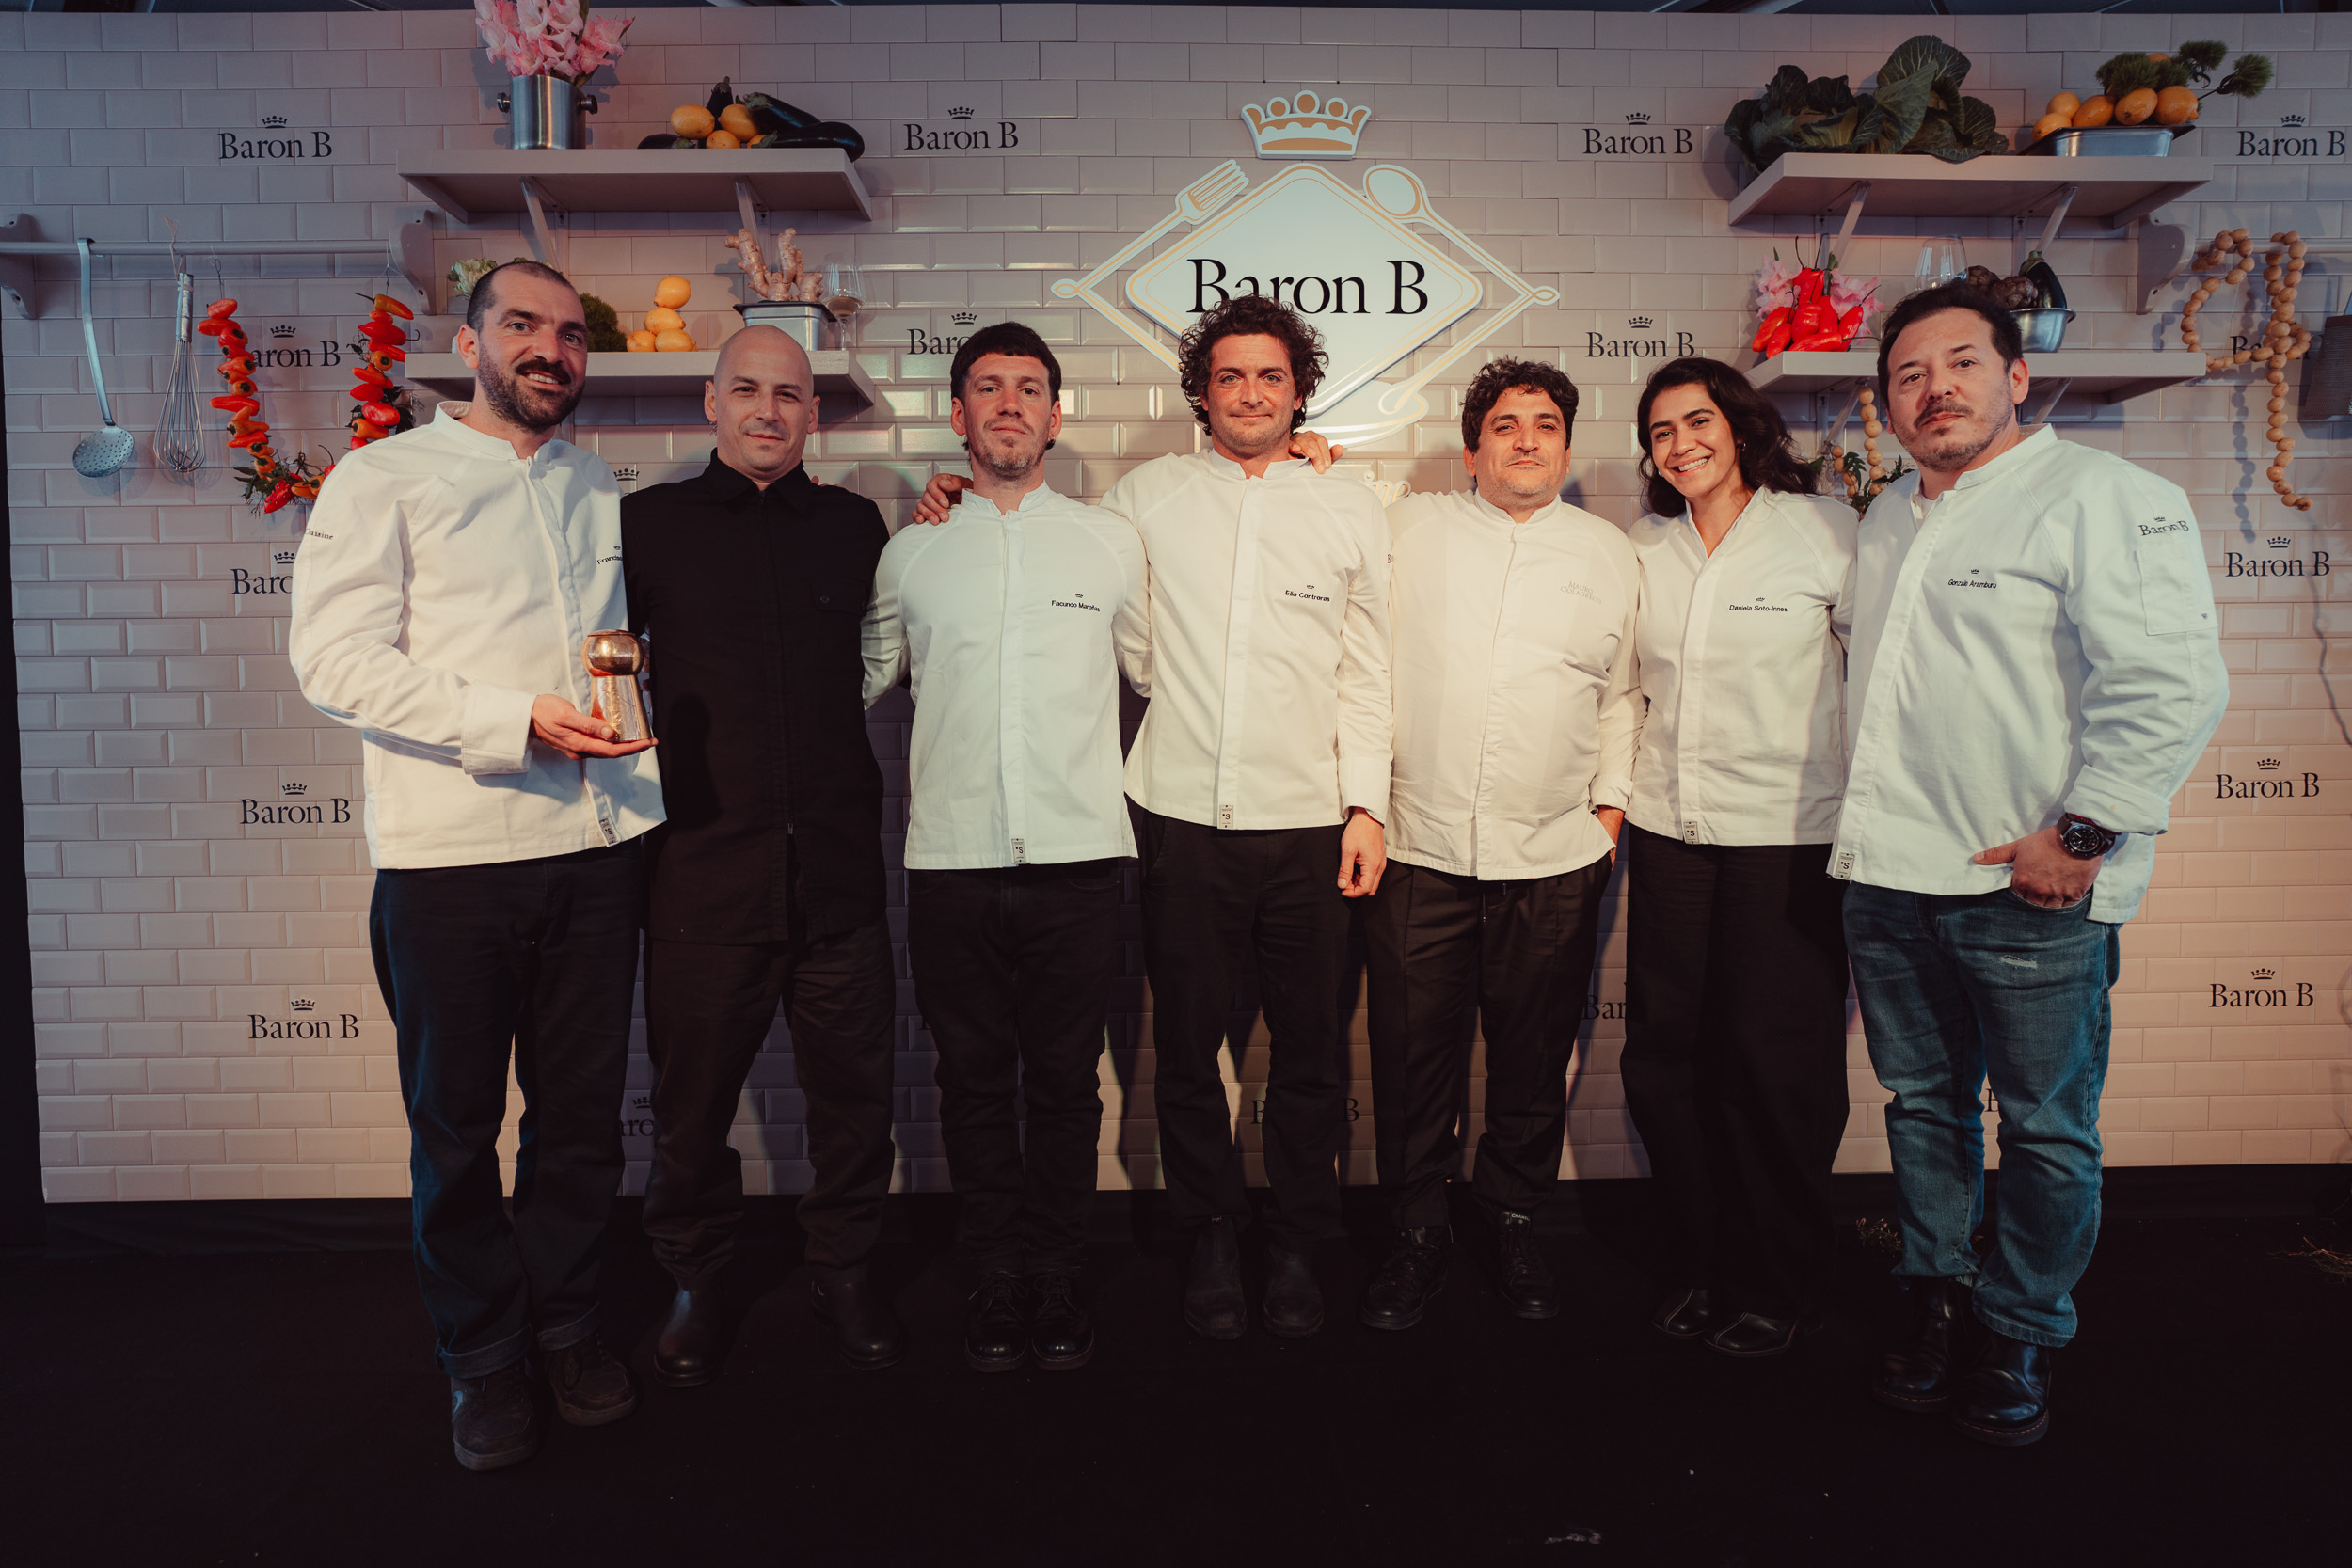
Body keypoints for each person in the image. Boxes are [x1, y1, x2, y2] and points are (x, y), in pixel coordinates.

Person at [917, 295, 1391, 1339]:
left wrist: (1367, 803)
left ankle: (1299, 1240)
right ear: (1201, 395)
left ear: (1300, 392)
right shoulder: (1142, 500)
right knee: (1184, 1053)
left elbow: (1368, 670)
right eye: (1230, 376)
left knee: (1312, 1053)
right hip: (1176, 813)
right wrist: (949, 498)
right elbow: (1053, 560)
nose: (1251, 393)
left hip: (1315, 821)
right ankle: (1210, 1232)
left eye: (1271, 376)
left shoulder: (1351, 507)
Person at [1838, 282, 2227, 1446]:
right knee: (1923, 1110)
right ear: (1887, 405)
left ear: (2016, 375)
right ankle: (1938, 1294)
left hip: (2028, 888)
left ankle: (2020, 1327)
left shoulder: (2106, 497)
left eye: (1960, 363)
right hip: (1891, 878)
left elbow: (2169, 681)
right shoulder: (1886, 515)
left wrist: (2084, 834)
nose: (1935, 389)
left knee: (2047, 1129)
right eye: (1909, 375)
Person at [289, 261, 660, 1472]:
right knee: (454, 1130)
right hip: (450, 859)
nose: (550, 348)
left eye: (570, 332)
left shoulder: (594, 482)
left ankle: (566, 1324)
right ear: (470, 343)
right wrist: (515, 719)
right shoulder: (383, 476)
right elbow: (335, 661)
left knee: (580, 1125)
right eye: (522, 325)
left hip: (596, 851)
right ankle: (482, 1355)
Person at [863, 323, 1151, 1373]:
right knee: (974, 1082)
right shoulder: (911, 550)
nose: (1010, 404)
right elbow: (858, 680)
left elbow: (1161, 674)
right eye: (988, 387)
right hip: (949, 861)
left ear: (1056, 415)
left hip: (1081, 859)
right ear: (958, 413)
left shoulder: (1110, 541)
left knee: (1067, 1085)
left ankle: (1059, 1268)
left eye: (1030, 388)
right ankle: (994, 1269)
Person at [621, 325, 903, 1384]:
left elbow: (892, 642)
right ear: (712, 401)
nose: (767, 410)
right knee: (691, 1111)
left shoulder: (855, 525)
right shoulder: (647, 526)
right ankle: (696, 1279)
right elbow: (591, 663)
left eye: (788, 394)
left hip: (838, 877)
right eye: (747, 389)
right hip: (701, 876)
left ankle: (846, 1268)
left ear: (813, 414)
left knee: (854, 1103)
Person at [1358, 358, 1638, 1332]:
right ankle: (1416, 1229)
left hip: (1555, 856)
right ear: (1471, 449)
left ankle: (1513, 1217)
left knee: (1531, 1059)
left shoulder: (1611, 553)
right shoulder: (1404, 527)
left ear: (1567, 446)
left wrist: (1607, 816)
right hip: (1416, 850)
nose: (1526, 440)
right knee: (1410, 1061)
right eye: (1505, 425)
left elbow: (1624, 697)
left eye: (1545, 424)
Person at [1617, 356, 1857, 1357]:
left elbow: (1879, 674)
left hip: (1787, 840)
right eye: (1661, 432)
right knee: (1667, 1061)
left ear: (1741, 426)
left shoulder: (1824, 530)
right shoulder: (1645, 547)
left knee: (1775, 1066)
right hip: (1669, 833)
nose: (1681, 445)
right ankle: (1703, 1262)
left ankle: (1776, 1278)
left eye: (1697, 421)